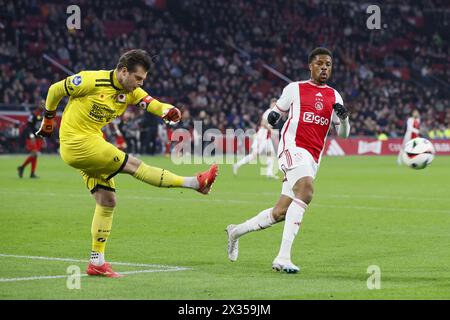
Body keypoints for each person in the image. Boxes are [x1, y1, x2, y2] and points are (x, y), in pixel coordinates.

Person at [36, 49, 218, 278]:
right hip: (77, 143)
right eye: (138, 78)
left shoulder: (130, 91)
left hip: (91, 143)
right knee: (134, 165)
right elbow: (55, 89)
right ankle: (195, 183)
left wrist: (167, 111)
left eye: (143, 80)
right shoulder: (91, 80)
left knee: (107, 200)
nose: (140, 84)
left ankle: (97, 261)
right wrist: (49, 119)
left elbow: (153, 103)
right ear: (123, 71)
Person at [226, 47, 350, 273]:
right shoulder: (295, 89)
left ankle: (236, 231)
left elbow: (343, 134)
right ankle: (283, 257)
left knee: (280, 212)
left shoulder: (335, 96)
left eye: (328, 64)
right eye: (320, 63)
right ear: (310, 66)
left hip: (313, 156)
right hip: (292, 147)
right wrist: (274, 116)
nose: (324, 68)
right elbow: (276, 112)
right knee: (307, 190)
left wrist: (345, 119)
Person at [232, 98, 278, 179]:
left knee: (271, 154)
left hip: (266, 137)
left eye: (275, 104)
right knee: (254, 156)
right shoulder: (268, 112)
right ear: (270, 104)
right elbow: (263, 123)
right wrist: (272, 130)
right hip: (261, 136)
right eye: (273, 104)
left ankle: (269, 173)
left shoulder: (273, 113)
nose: (274, 106)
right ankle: (237, 165)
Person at [17, 107, 44, 178]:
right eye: (41, 104)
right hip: (32, 137)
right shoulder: (33, 114)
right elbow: (28, 126)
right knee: (34, 153)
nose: (43, 105)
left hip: (38, 137)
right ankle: (22, 167)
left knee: (35, 155)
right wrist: (31, 135)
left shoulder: (43, 115)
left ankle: (32, 173)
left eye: (44, 104)